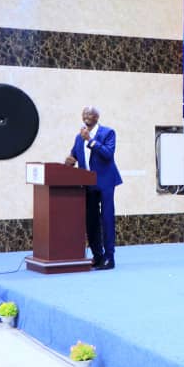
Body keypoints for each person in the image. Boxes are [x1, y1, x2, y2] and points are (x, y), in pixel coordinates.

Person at [64, 106, 123, 270]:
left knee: (107, 218)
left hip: (105, 182)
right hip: (88, 184)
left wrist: (90, 140)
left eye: (89, 114)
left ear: (97, 117)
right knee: (91, 221)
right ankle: (98, 256)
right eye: (84, 114)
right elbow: (74, 155)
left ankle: (109, 258)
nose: (86, 116)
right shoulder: (79, 137)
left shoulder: (108, 133)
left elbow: (108, 154)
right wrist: (69, 160)